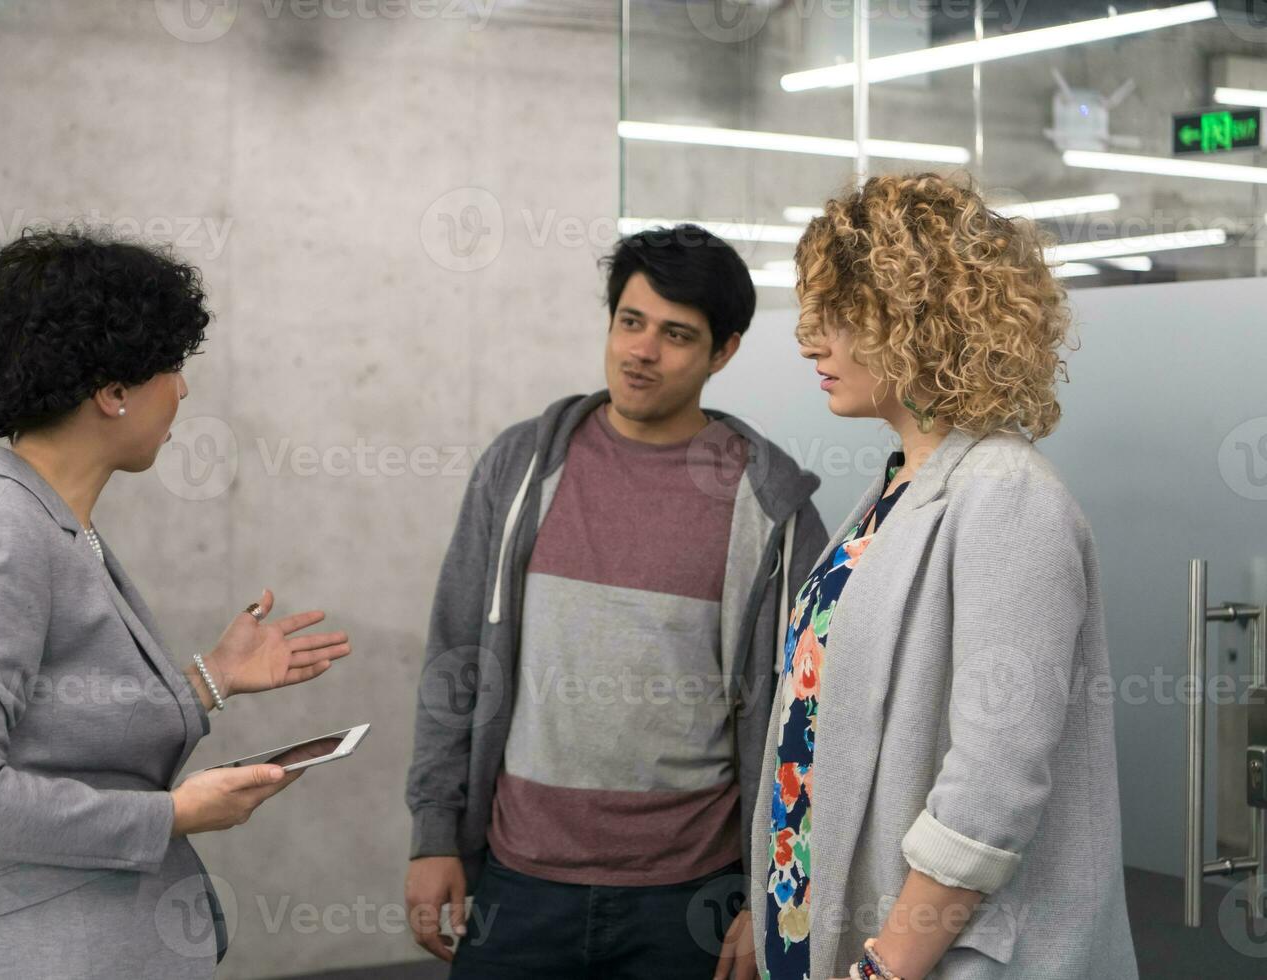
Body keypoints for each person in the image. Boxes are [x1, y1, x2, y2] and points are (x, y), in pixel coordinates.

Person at [0, 228, 352, 979]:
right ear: (112, 392)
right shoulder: (1, 541)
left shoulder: (55, 527)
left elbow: (67, 731)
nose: (182, 390)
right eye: (171, 367)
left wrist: (212, 677)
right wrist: (173, 815)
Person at [405, 224, 829, 979]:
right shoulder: (519, 468)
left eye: (675, 335)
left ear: (722, 351)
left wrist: (772, 892)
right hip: (518, 877)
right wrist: (435, 832)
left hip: (691, 893)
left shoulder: (767, 505)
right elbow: (456, 654)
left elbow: (809, 717)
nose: (641, 350)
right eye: (629, 323)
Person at [756, 173, 1137, 979]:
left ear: (920, 323)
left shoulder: (1007, 496)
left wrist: (887, 965)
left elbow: (991, 785)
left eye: (841, 316)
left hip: (923, 957)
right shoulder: (897, 487)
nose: (808, 341)